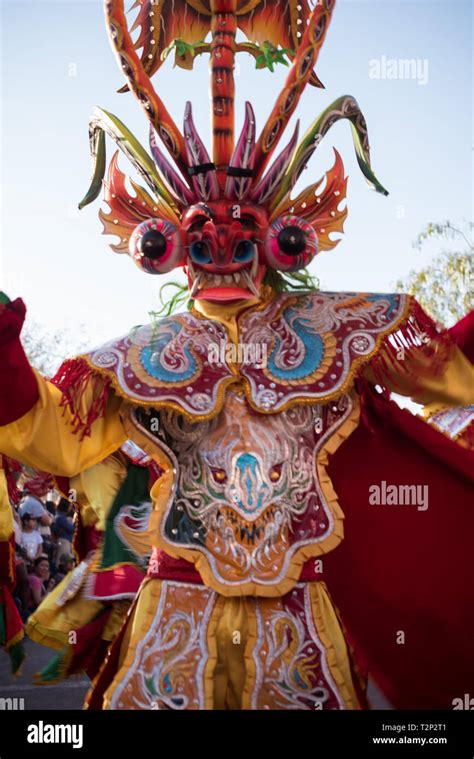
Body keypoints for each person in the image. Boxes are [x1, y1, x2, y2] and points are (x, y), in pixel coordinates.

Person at [0, 0, 473, 711]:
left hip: (300, 610)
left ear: (283, 237)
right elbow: (55, 437)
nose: (223, 249)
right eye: (200, 237)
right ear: (168, 247)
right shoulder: (141, 354)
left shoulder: (336, 329)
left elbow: (449, 372)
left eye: (244, 235)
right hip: (175, 610)